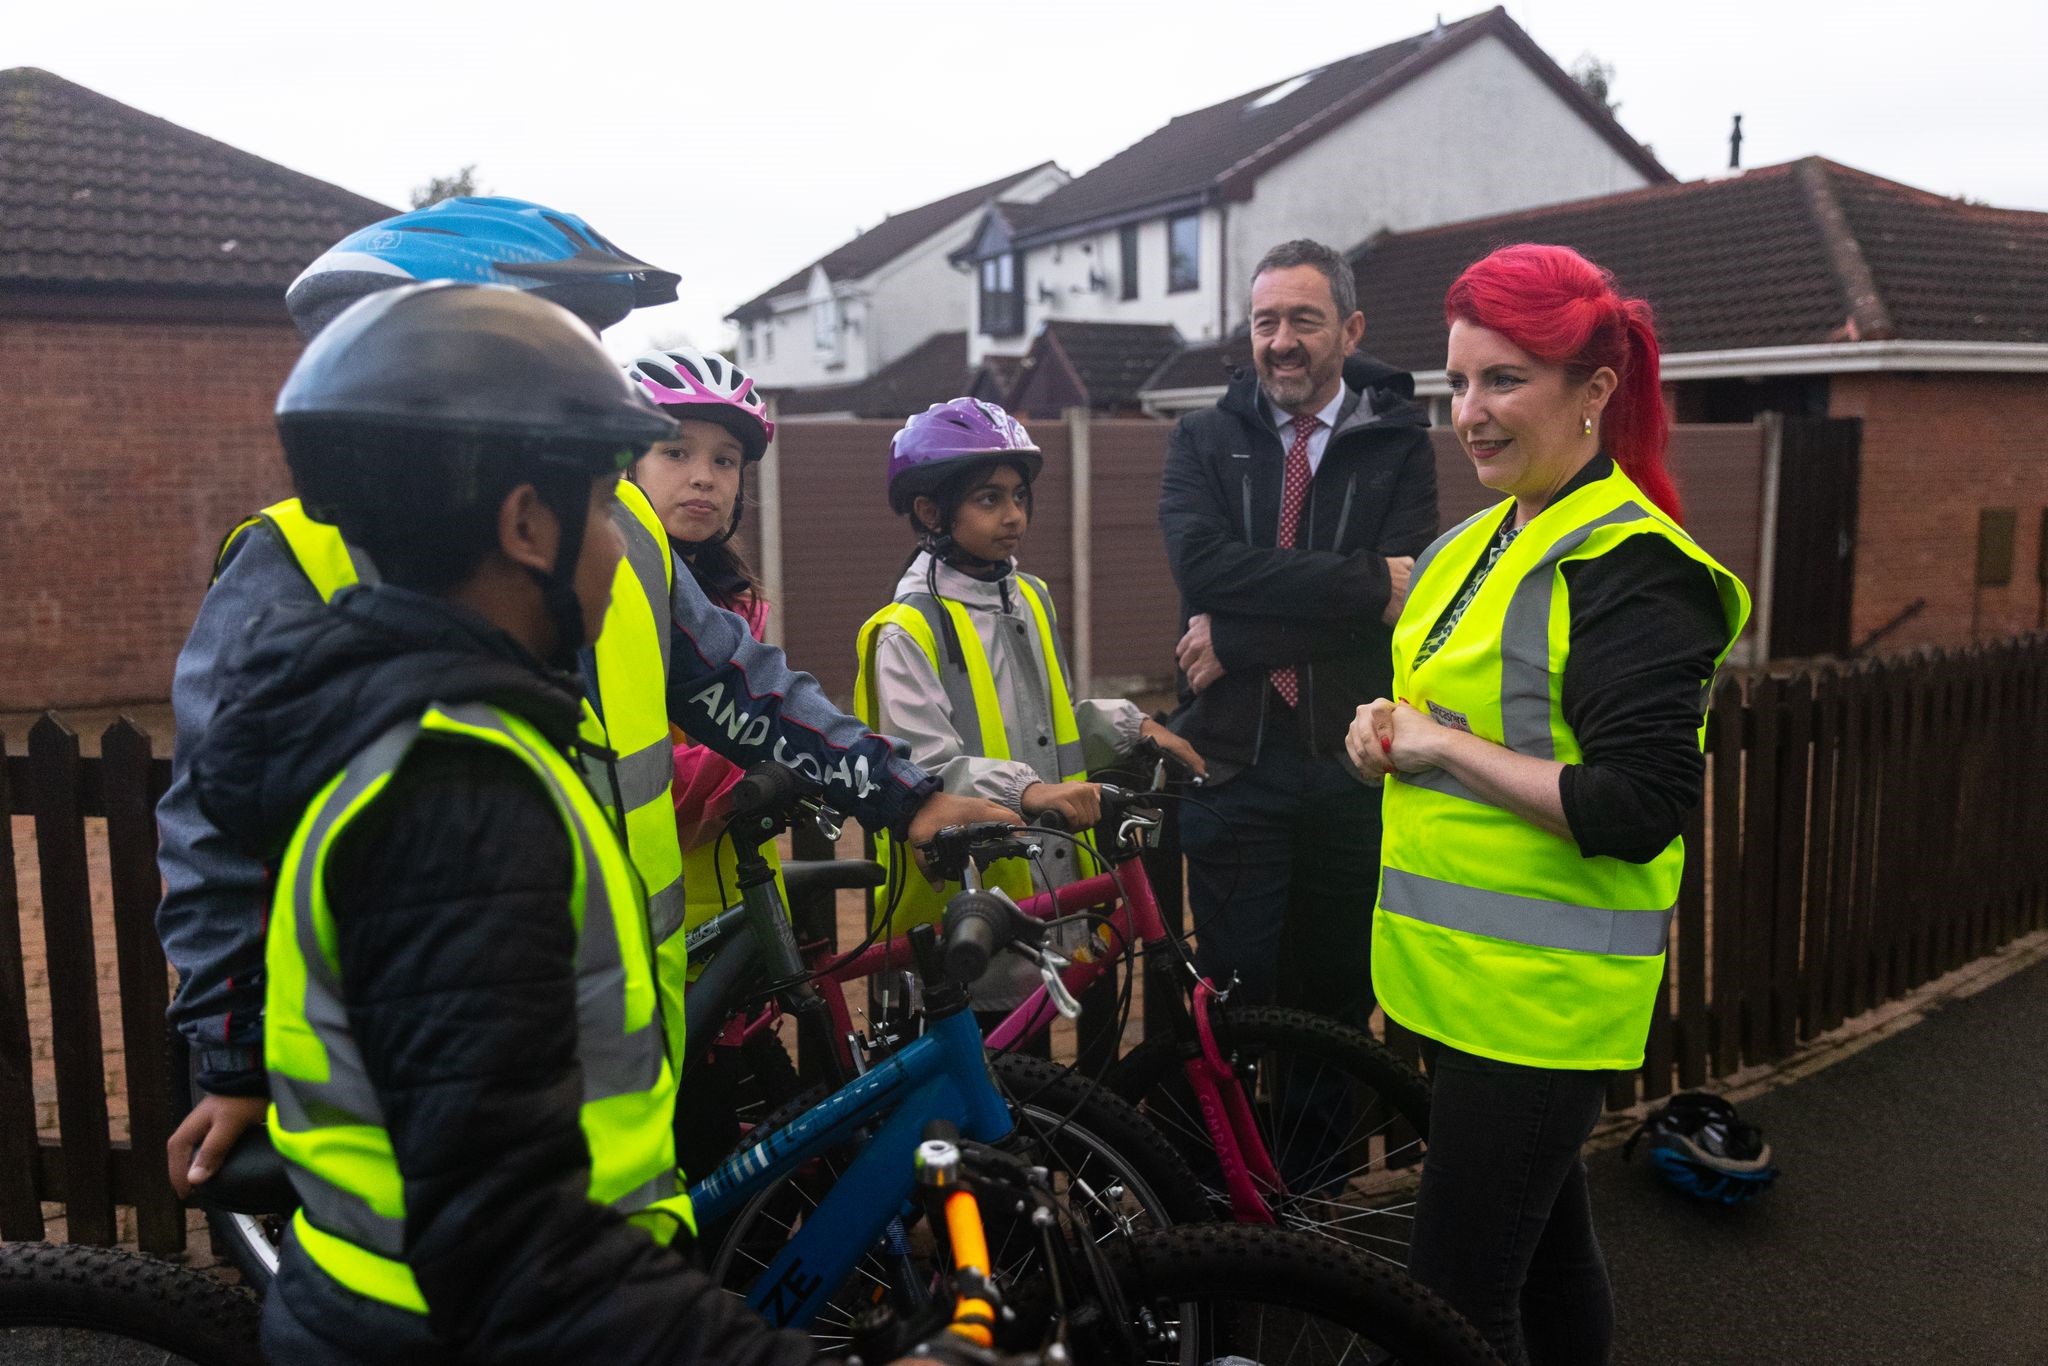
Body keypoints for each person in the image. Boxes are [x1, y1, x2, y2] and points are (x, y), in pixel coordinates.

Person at [162, 201, 1011, 1199]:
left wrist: (901, 794)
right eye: (557, 344)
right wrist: (233, 1052)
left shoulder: (621, 531)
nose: (585, 379)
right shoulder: (292, 557)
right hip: (419, 1063)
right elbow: (216, 820)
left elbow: (737, 682)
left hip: (617, 1033)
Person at [189, 280, 839, 1362]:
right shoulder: (458, 797)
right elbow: (522, 1258)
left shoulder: (401, 723)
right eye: (603, 506)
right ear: (527, 524)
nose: (622, 547)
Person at [1345, 243, 1750, 1366]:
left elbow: (1637, 805)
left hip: (1538, 1009)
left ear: (1595, 392)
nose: (1468, 413)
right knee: (1547, 1257)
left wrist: (1438, 743)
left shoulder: (1632, 566)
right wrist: (1385, 736)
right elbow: (1449, 721)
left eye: (1502, 380)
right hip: (1457, 988)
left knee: (1445, 1315)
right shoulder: (1473, 542)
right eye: (1457, 383)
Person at [1157, 238, 1437, 1032]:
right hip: (1234, 768)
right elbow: (1204, 570)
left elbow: (1407, 598)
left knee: (1337, 1003)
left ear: (1350, 330)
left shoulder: (1399, 443)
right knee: (1235, 1007)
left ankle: (1323, 1164)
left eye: (1304, 320)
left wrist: (1239, 642)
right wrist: (1360, 582)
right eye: (1265, 321)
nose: (1281, 341)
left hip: (1349, 766)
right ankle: (1240, 1162)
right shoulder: (1202, 440)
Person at [856, 398, 1205, 1027]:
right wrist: (1031, 790)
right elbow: (924, 768)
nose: (1014, 515)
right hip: (960, 911)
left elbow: (1050, 724)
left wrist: (1133, 727)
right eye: (989, 498)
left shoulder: (1030, 595)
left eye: (1020, 495)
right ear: (931, 511)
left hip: (1046, 897)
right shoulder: (908, 628)